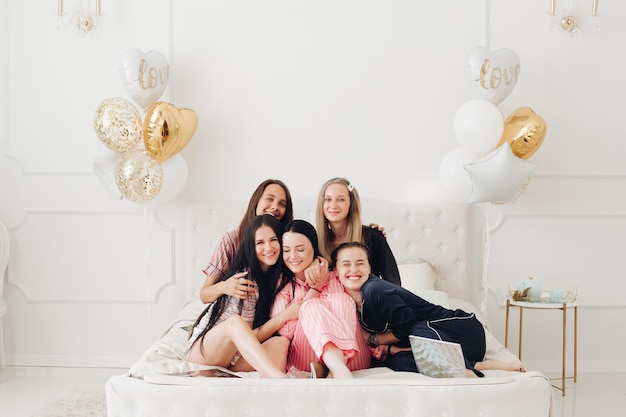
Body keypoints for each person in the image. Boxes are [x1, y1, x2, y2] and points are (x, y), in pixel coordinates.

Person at [332, 241, 526, 377]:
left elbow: (407, 327)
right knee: (397, 362)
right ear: (336, 271)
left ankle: (467, 373)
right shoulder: (347, 301)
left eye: (360, 263)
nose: (354, 270)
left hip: (463, 332)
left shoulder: (375, 290)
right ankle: (479, 366)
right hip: (448, 348)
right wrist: (391, 350)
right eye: (346, 264)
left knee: (418, 330)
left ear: (369, 267)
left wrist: (377, 340)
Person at [187, 214, 301, 378]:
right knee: (235, 323)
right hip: (204, 354)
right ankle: (279, 379)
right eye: (260, 243)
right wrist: (283, 317)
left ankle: (264, 389)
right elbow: (246, 335)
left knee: (280, 343)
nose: (268, 247)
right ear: (251, 247)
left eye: (273, 240)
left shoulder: (279, 279)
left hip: (231, 360)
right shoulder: (245, 280)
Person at [200, 179, 327, 304]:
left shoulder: (285, 239)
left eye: (282, 204)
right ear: (256, 201)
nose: (275, 207)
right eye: (269, 199)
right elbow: (204, 295)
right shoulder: (231, 240)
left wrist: (314, 261)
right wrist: (225, 287)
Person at [271, 220, 370, 378]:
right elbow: (287, 331)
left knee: (341, 300)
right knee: (312, 306)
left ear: (314, 249)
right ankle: (337, 370)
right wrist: (314, 291)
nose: (293, 257)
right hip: (308, 360)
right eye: (287, 250)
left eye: (300, 249)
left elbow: (358, 314)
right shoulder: (284, 285)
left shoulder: (335, 276)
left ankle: (337, 368)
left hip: (354, 359)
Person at [316, 177, 401, 285]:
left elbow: (393, 282)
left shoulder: (373, 236)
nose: (333, 205)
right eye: (328, 199)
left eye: (341, 199)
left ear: (351, 204)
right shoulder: (315, 242)